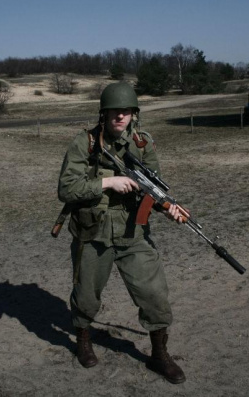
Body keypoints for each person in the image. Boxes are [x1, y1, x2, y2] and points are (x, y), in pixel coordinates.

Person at [57, 82, 186, 384]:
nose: (120, 116)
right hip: (93, 233)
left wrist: (167, 207)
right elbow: (66, 189)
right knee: (86, 296)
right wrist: (107, 183)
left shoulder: (142, 144)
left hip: (133, 233)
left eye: (126, 111)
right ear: (104, 113)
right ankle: (84, 340)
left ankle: (159, 354)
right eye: (114, 111)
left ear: (133, 114)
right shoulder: (84, 143)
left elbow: (152, 188)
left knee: (154, 295)